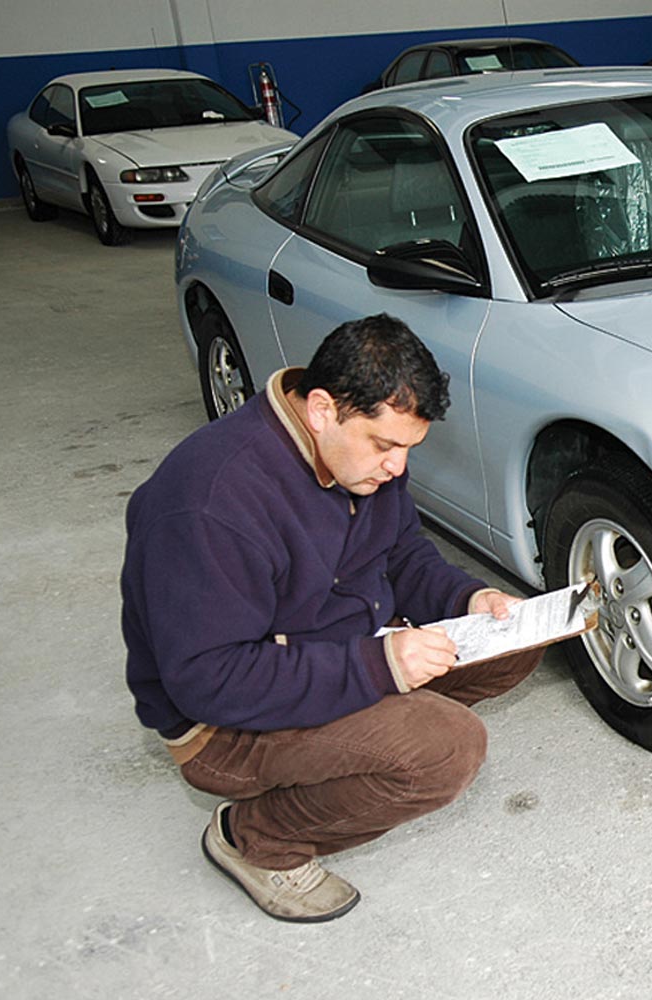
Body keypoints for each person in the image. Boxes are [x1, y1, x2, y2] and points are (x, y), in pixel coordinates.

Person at [120, 314, 542, 923]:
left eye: (407, 450)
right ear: (321, 408)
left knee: (512, 638)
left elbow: (402, 556)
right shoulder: (211, 502)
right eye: (385, 446)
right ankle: (257, 839)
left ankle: (363, 743)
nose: (397, 468)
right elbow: (209, 680)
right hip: (227, 723)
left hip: (339, 645)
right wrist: (378, 665)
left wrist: (469, 601)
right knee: (446, 752)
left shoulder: (359, 458)